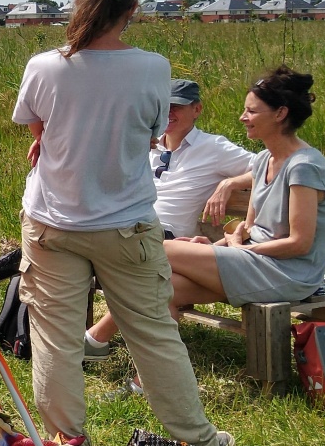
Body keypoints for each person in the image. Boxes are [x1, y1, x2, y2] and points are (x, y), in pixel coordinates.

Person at [11, 0, 234, 446]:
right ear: (132, 6)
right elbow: (153, 133)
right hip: (126, 226)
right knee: (153, 334)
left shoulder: (44, 66)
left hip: (50, 222)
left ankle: (69, 442)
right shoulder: (152, 68)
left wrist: (51, 139)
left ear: (80, 0)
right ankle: (200, 442)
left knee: (55, 338)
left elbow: (39, 130)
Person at [84, 77, 255, 357]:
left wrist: (229, 184)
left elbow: (267, 166)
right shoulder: (146, 145)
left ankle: (93, 342)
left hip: (167, 238)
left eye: (177, 107)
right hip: (131, 230)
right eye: (164, 107)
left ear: (197, 110)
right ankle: (96, 344)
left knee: (149, 280)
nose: (169, 114)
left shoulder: (213, 148)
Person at [161, 66, 325, 315]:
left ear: (280, 114)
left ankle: (97, 341)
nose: (243, 117)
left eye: (252, 111)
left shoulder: (304, 166)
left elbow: (299, 244)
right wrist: (217, 247)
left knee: (164, 250)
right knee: (160, 289)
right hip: (255, 263)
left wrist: (236, 251)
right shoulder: (265, 159)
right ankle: (166, 355)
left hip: (288, 274)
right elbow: (250, 230)